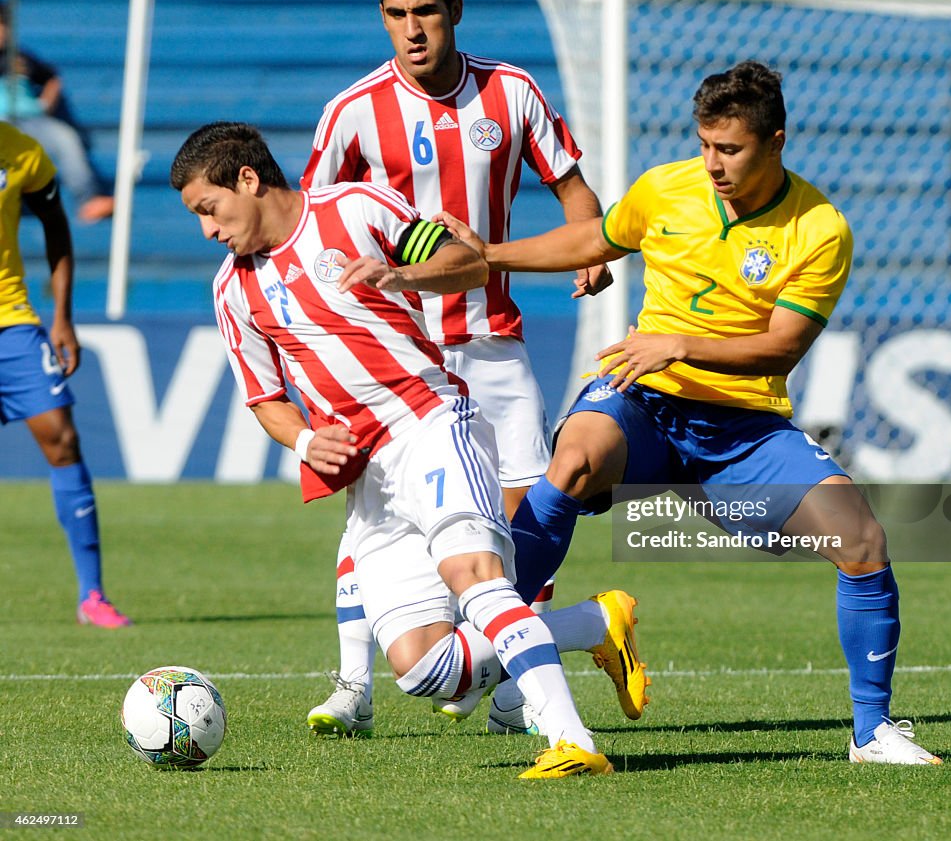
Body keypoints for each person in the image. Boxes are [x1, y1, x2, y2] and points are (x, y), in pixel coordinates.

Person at [440, 60, 942, 766]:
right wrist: (490, 252)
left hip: (741, 428)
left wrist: (679, 343)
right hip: (642, 403)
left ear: (775, 141)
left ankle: (872, 732)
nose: (713, 163)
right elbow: (593, 240)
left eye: (730, 149)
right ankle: (490, 644)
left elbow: (780, 348)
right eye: (706, 145)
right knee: (574, 459)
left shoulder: (820, 227)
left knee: (861, 539)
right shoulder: (666, 188)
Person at [170, 120, 649, 779]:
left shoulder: (355, 207)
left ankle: (574, 741)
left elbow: (466, 260)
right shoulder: (234, 290)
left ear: (247, 180)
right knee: (427, 669)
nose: (207, 229)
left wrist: (402, 275)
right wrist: (308, 438)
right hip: (370, 477)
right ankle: (593, 623)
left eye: (209, 209)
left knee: (478, 581)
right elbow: (265, 398)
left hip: (430, 422)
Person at [301, 0, 612, 735]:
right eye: (397, 15)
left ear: (454, 12)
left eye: (426, 13)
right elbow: (309, 229)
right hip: (397, 357)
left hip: (491, 344)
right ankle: (352, 686)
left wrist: (591, 257)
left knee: (523, 525)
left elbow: (578, 198)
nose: (412, 31)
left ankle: (516, 683)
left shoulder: (511, 93)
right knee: (375, 516)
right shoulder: (351, 113)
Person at [0, 121, 131, 627]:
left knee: (63, 438)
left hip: (12, 324)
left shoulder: (21, 153)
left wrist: (62, 317)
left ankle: (92, 595)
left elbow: (56, 224)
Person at [0, 1, 114, 223]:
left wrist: (43, 105)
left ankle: (88, 198)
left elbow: (52, 79)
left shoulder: (22, 58)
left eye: (3, 25)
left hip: (30, 120)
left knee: (65, 137)